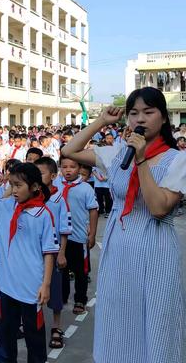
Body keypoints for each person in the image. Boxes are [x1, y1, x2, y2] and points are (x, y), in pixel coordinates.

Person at [62, 87, 185, 363]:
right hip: (118, 251)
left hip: (155, 250)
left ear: (164, 118)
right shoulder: (118, 154)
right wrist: (101, 121)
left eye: (148, 112)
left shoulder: (178, 161)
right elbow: (69, 150)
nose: (140, 119)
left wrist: (141, 160)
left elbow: (157, 207)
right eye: (133, 113)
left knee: (156, 322)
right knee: (118, 319)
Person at [0, 163, 59, 363]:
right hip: (7, 285)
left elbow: (49, 252)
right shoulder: (5, 206)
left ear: (34, 187)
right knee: (6, 330)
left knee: (34, 333)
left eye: (18, 185)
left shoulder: (43, 214)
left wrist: (46, 284)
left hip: (32, 287)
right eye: (12, 185)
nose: (14, 190)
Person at [35, 157, 72, 349]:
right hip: (34, 254)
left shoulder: (58, 200)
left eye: (40, 173)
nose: (37, 177)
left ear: (53, 175)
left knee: (55, 292)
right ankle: (32, 323)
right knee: (33, 289)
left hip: (54, 252)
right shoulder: (31, 197)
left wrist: (62, 253)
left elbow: (64, 229)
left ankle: (56, 327)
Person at [57, 156, 98, 315]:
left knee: (81, 271)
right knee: (62, 269)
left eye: (72, 167)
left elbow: (93, 210)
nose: (68, 170)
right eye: (64, 166)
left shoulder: (86, 188)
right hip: (60, 238)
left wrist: (92, 234)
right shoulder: (56, 185)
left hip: (78, 236)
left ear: (79, 168)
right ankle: (62, 296)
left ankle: (80, 299)